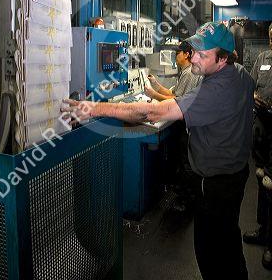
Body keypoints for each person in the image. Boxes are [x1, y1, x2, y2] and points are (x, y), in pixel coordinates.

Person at [61, 21, 254, 280]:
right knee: (229, 242)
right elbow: (249, 88)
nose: (193, 57)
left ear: (221, 59)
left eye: (202, 54)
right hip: (236, 174)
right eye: (194, 49)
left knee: (211, 252)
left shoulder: (215, 90)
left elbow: (153, 111)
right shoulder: (239, 73)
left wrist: (91, 108)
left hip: (216, 184)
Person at [144, 41, 202, 211]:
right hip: (185, 123)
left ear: (186, 54)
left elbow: (178, 102)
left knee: (186, 162)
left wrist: (152, 95)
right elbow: (171, 93)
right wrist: (154, 84)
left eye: (178, 53)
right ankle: (183, 190)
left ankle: (187, 200)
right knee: (182, 159)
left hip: (190, 125)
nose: (175, 56)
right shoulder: (184, 73)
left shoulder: (190, 73)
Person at [243, 22, 272, 270]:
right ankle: (264, 230)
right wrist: (255, 98)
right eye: (271, 37)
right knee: (262, 181)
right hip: (262, 129)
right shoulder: (263, 57)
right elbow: (251, 86)